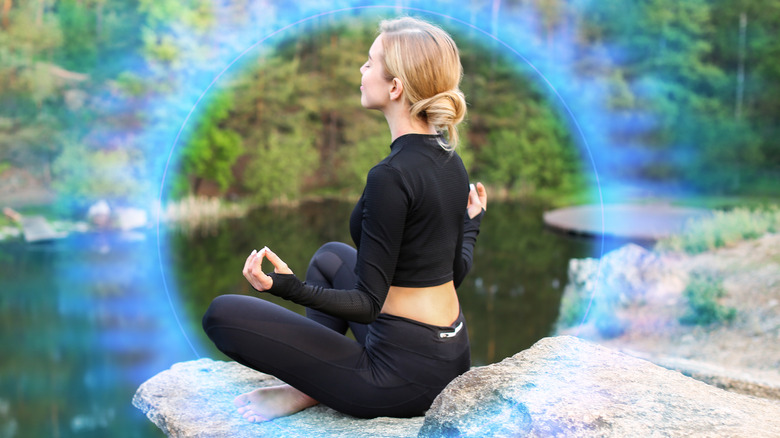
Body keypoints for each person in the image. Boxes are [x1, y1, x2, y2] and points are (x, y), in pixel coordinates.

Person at [202, 16, 487, 422]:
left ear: (395, 87)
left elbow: (367, 305)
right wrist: (472, 222)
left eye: (370, 62)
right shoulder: (449, 159)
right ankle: (316, 382)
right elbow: (451, 273)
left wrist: (286, 287)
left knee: (221, 314)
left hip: (400, 380)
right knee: (330, 257)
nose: (361, 69)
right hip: (449, 357)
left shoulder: (391, 176)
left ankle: (315, 385)